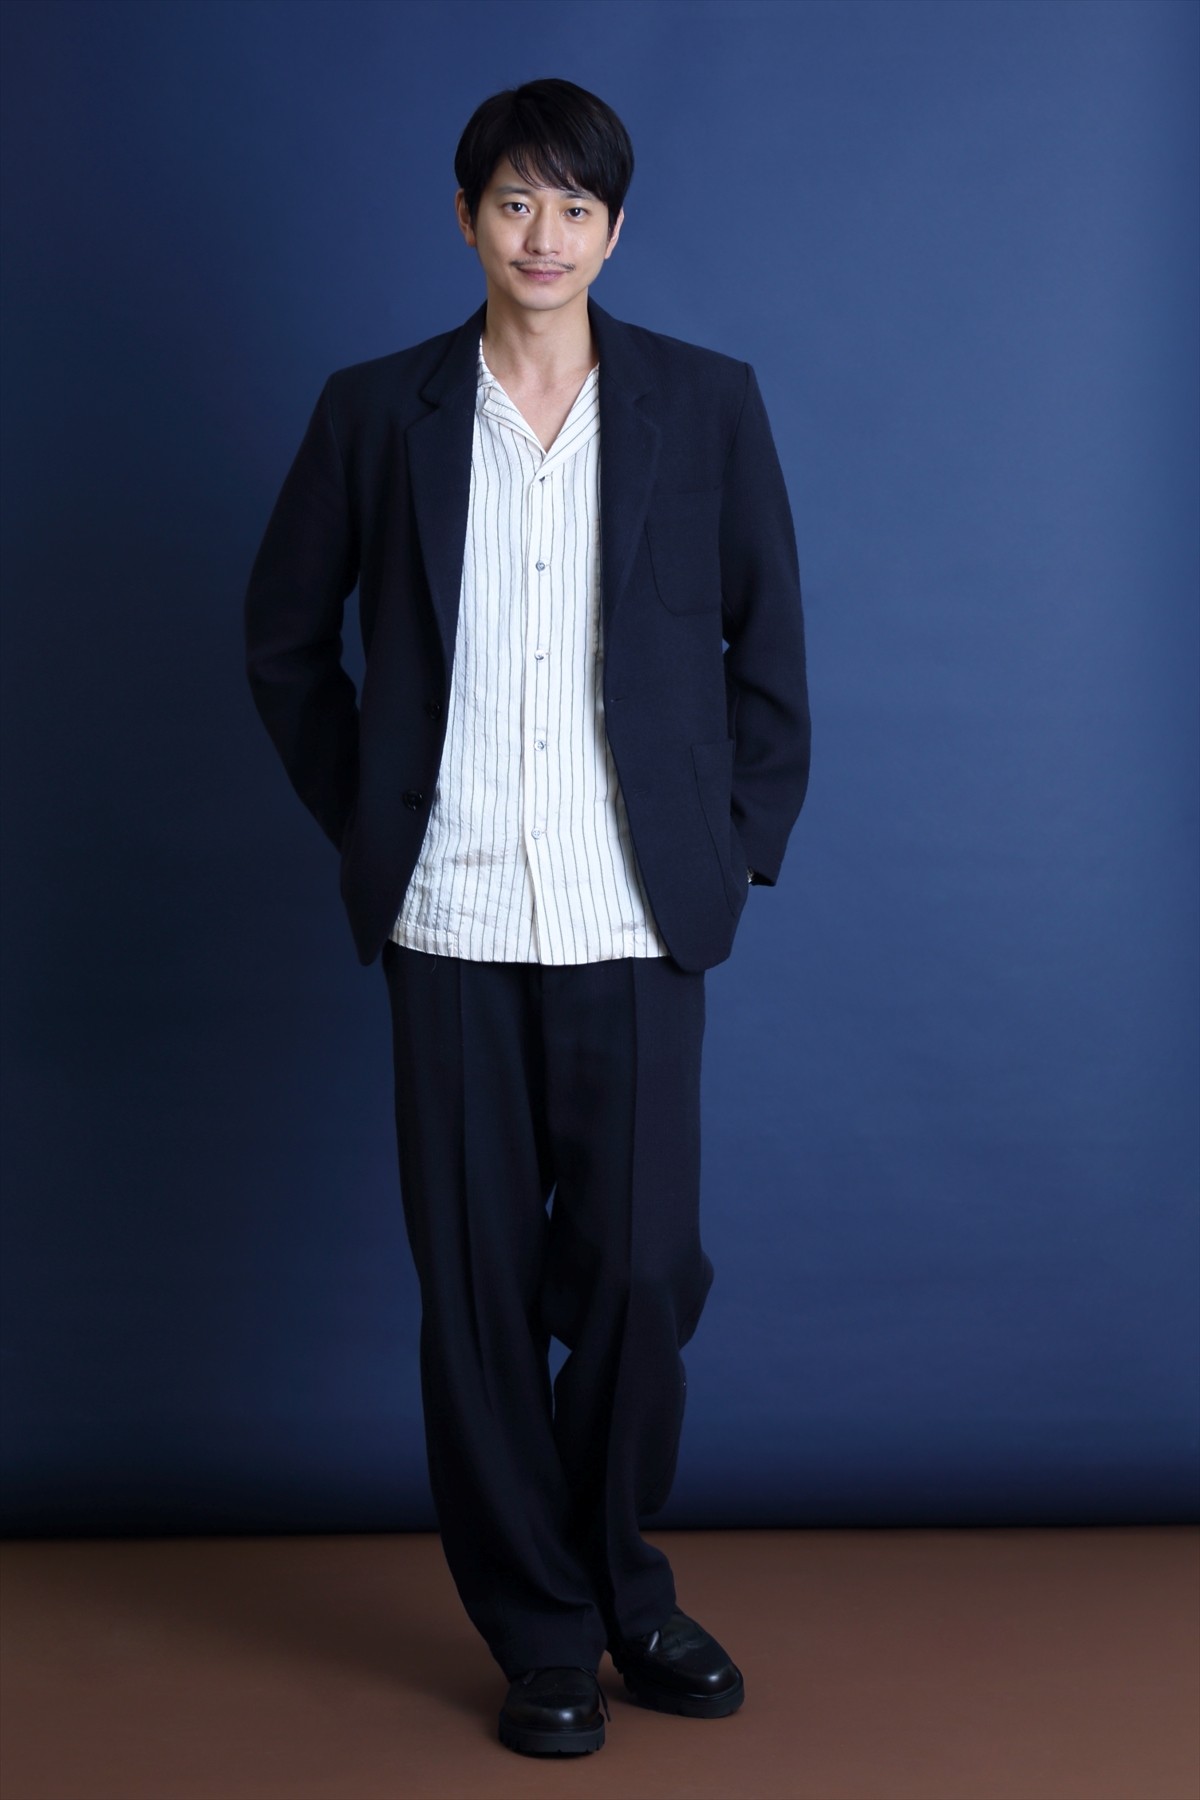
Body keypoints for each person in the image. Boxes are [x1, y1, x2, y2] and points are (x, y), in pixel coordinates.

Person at [244, 75, 810, 1759]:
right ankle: (545, 1632)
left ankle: (626, 1583)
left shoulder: (707, 403)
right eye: (514, 202)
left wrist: (736, 846)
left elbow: (769, 649)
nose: (542, 235)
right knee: (481, 1295)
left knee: (637, 1274)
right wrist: (376, 820)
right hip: (453, 915)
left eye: (574, 207)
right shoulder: (376, 412)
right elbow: (285, 641)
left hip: (637, 913)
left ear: (614, 230)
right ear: (466, 218)